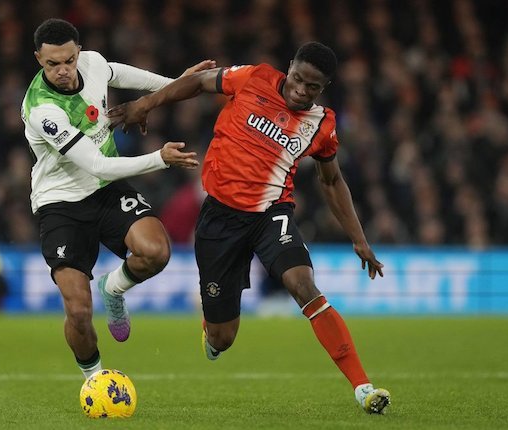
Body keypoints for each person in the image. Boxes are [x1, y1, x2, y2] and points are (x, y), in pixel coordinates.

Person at [109, 42, 391, 414]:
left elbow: (332, 181)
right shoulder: (254, 78)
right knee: (222, 339)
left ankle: (363, 387)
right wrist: (144, 104)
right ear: (288, 67)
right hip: (219, 220)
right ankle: (212, 331)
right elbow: (198, 83)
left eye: (312, 87)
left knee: (302, 284)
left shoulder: (323, 125)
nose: (301, 91)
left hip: (271, 214)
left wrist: (359, 239)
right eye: (298, 79)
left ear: (324, 87)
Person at [21, 18, 212, 379]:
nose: (63, 70)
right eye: (52, 64)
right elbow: (97, 164)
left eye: (69, 60)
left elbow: (129, 77)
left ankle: (114, 287)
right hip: (61, 203)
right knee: (78, 312)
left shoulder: (92, 63)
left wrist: (176, 85)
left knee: (156, 252)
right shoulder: (42, 110)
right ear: (38, 59)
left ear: (78, 52)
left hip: (105, 191)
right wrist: (160, 159)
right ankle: (95, 380)